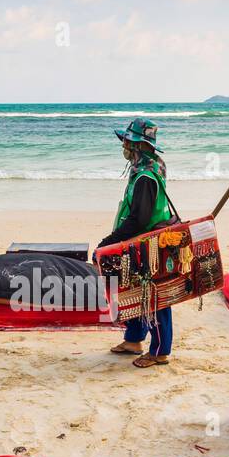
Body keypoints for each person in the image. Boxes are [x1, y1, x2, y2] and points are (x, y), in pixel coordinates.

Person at [99, 117, 175, 368]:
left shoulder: (145, 177)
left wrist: (108, 242)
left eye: (127, 143)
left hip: (148, 243)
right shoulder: (149, 167)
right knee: (134, 291)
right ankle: (133, 339)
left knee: (155, 297)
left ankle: (160, 351)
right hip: (138, 242)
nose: (123, 147)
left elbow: (139, 220)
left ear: (138, 146)